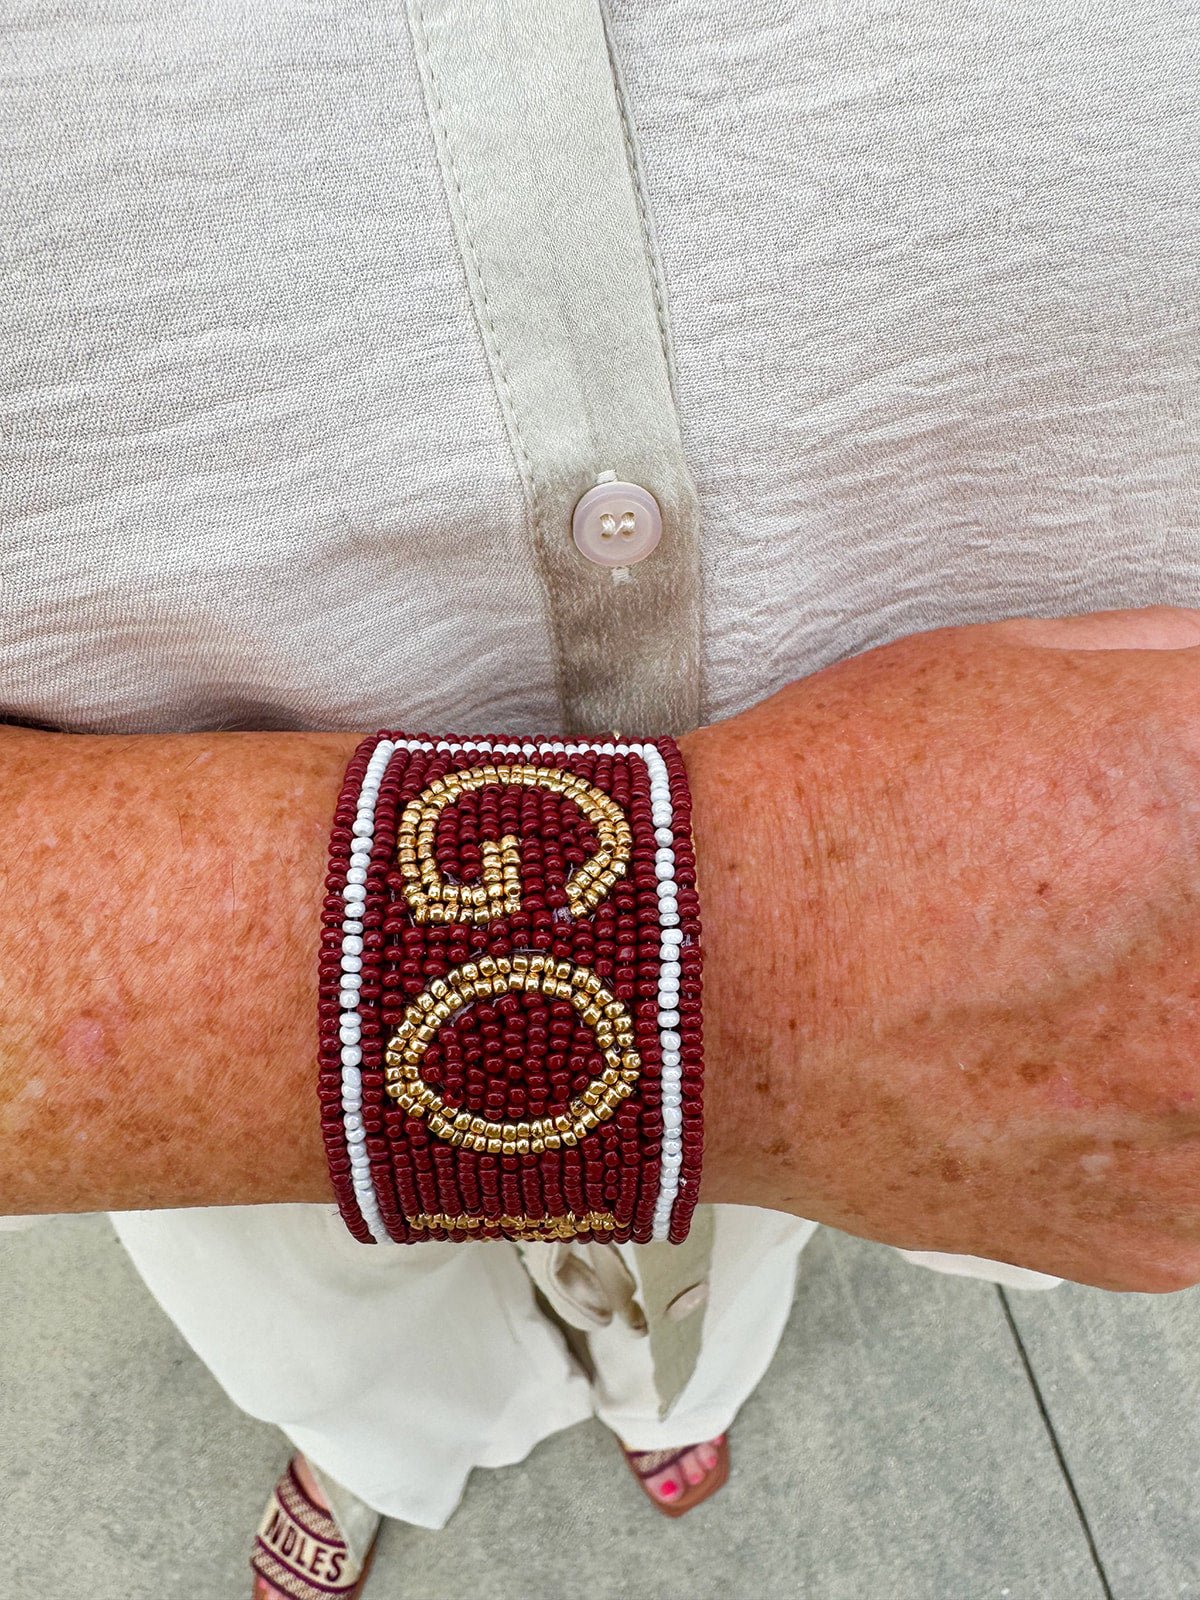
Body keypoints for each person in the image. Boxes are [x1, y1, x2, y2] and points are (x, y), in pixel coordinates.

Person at [3, 3, 1196, 1597]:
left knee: (740, 1267)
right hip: (181, 1075)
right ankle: (374, 1448)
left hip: (1034, 931)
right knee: (320, 1300)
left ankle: (663, 1393)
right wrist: (781, 980)